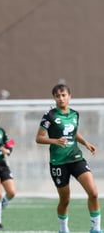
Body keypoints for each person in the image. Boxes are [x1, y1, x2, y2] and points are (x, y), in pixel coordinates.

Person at [35, 84, 102, 233]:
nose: (61, 98)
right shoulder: (50, 116)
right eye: (57, 96)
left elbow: (73, 133)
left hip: (76, 158)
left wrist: (85, 143)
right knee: (65, 200)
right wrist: (54, 141)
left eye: (63, 95)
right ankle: (63, 228)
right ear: (54, 98)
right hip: (58, 162)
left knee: (94, 193)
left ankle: (96, 228)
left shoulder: (75, 114)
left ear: (69, 96)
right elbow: (38, 138)